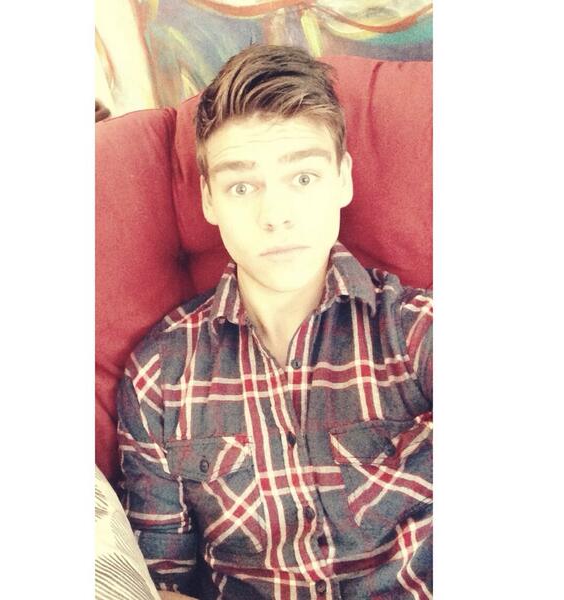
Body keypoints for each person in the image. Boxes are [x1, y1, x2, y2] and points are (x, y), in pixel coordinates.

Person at [117, 44, 433, 599]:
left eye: (303, 178)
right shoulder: (159, 377)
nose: (275, 216)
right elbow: (158, 580)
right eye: (242, 187)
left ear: (343, 179)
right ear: (210, 200)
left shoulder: (419, 333)